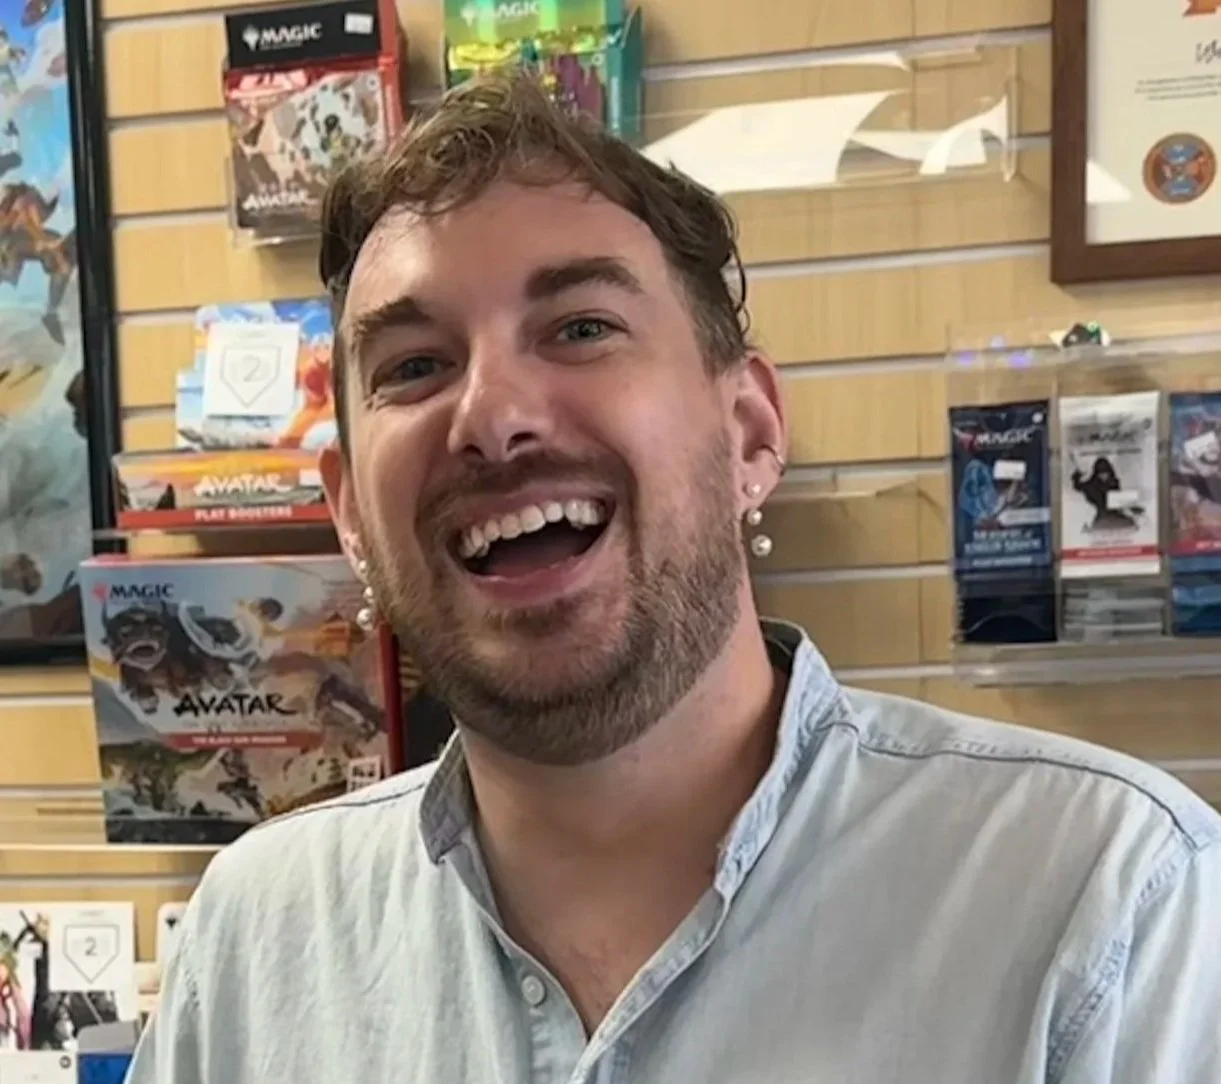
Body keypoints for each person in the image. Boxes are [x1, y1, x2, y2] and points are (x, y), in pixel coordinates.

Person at [126, 73, 1221, 1083]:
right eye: (414, 365)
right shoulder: (255, 939)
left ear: (749, 433)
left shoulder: (1112, 899)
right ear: (351, 511)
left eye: (581, 327)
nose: (493, 416)